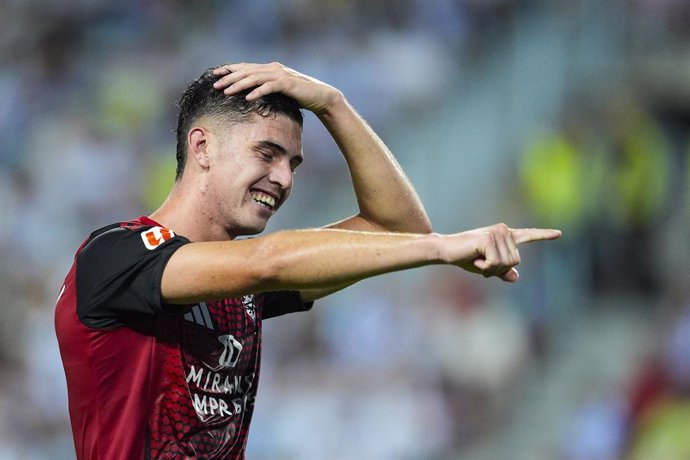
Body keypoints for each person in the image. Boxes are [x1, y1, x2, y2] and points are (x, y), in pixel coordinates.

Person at [54, 62, 561, 459]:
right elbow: (266, 263)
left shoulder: (238, 286)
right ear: (202, 146)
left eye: (292, 164)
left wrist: (332, 103)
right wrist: (443, 249)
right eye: (267, 153)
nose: (284, 180)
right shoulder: (114, 256)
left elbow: (396, 228)